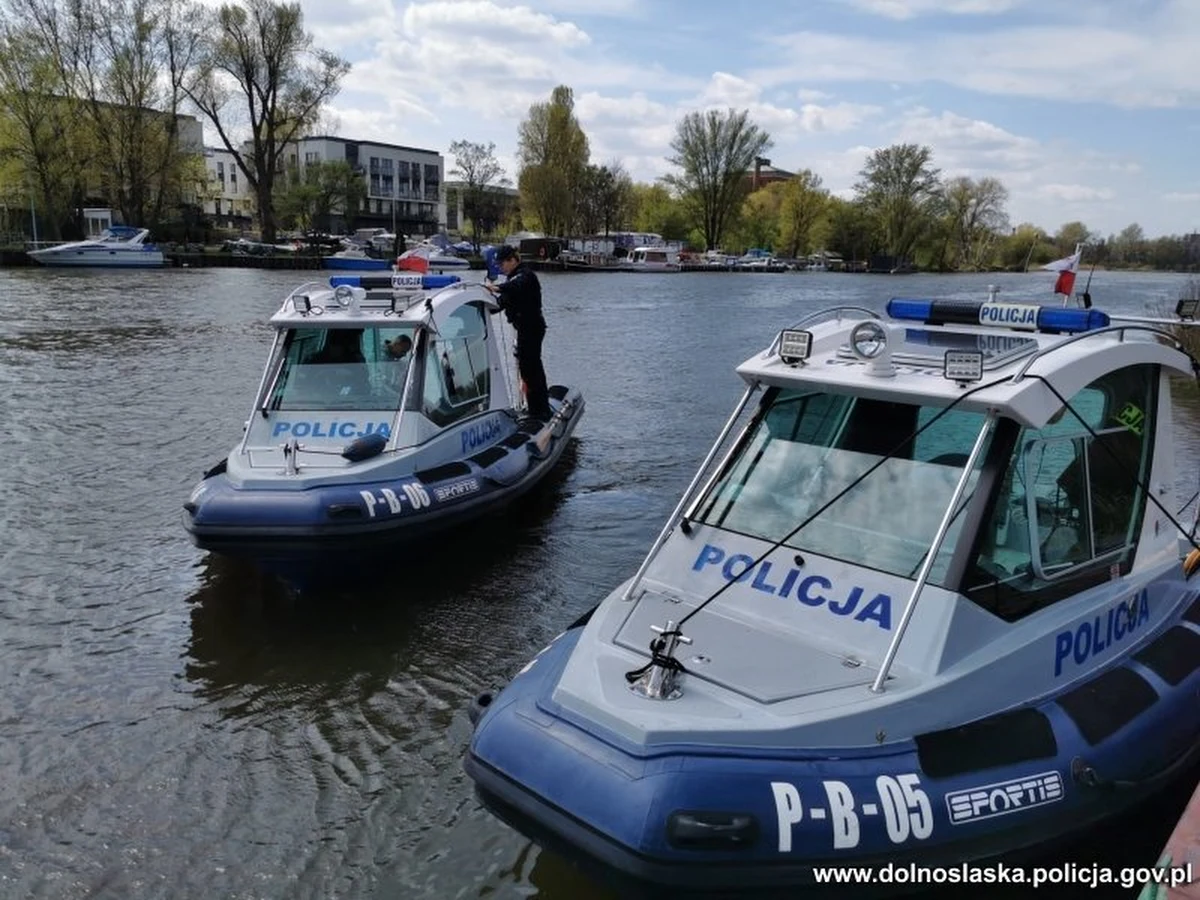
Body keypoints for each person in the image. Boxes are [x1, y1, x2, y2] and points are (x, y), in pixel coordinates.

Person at [484, 244, 551, 421]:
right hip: (522, 329)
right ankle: (535, 407)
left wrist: (496, 287)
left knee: (531, 368)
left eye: (502, 264)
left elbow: (515, 286)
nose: (500, 267)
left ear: (513, 260)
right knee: (527, 368)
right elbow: (500, 304)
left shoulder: (525, 275)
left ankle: (539, 410)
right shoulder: (511, 281)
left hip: (532, 328)